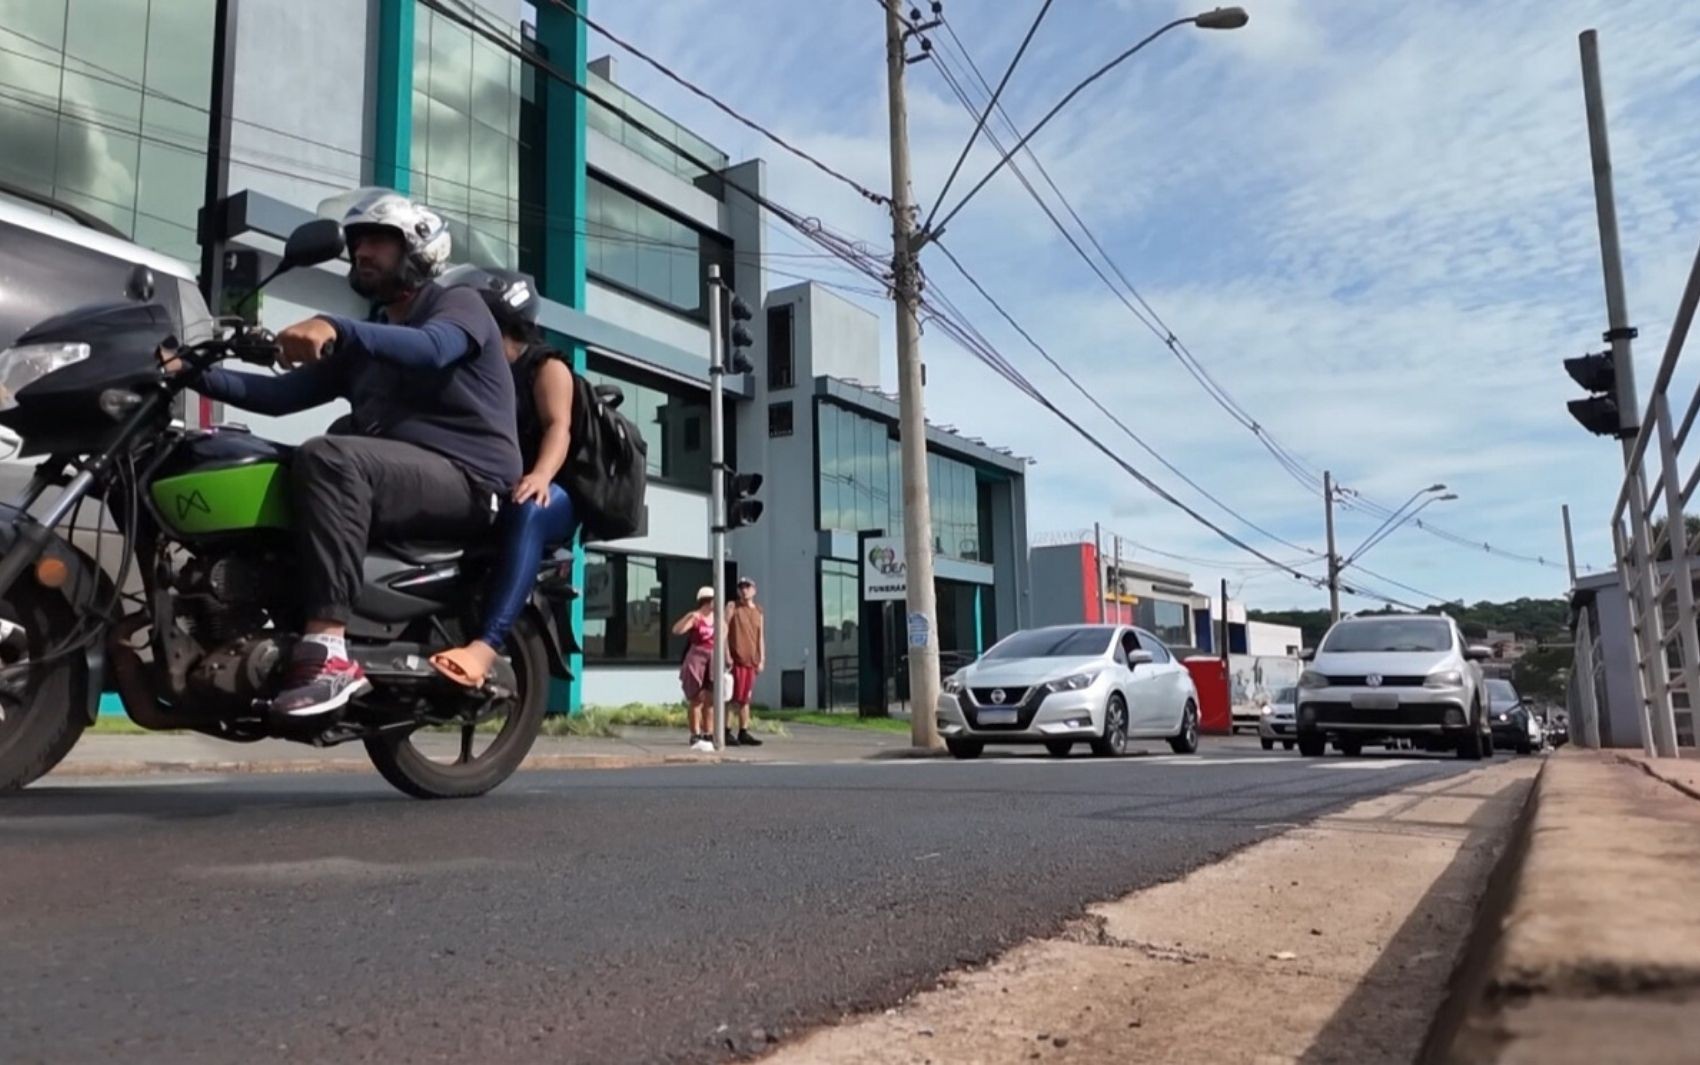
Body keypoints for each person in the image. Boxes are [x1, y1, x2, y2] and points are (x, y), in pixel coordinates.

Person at [184, 188, 520, 719]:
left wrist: (335, 326)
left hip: (472, 478)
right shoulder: (373, 338)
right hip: (402, 476)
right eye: (357, 242)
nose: (361, 251)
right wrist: (187, 372)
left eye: (378, 242)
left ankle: (330, 652)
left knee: (330, 457)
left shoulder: (457, 304)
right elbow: (278, 396)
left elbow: (433, 348)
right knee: (265, 462)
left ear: (418, 249)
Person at [427, 268, 577, 688]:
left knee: (528, 509)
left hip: (552, 491)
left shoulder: (545, 366)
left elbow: (559, 427)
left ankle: (485, 647)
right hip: (492, 483)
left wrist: (541, 475)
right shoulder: (471, 365)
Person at [673, 588, 718, 752]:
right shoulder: (696, 617)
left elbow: (724, 637)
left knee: (710, 699)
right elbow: (677, 630)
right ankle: (695, 734)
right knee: (696, 698)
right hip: (697, 658)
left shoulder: (718, 619)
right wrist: (689, 617)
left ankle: (709, 733)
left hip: (713, 658)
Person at [724, 577, 765, 747]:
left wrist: (762, 658)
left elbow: (760, 637)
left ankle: (743, 731)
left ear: (754, 590)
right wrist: (726, 654)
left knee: (745, 698)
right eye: (741, 587)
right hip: (736, 660)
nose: (744, 590)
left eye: (747, 587)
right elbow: (723, 630)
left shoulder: (759, 611)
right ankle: (726, 731)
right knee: (732, 697)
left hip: (751, 661)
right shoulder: (732, 607)